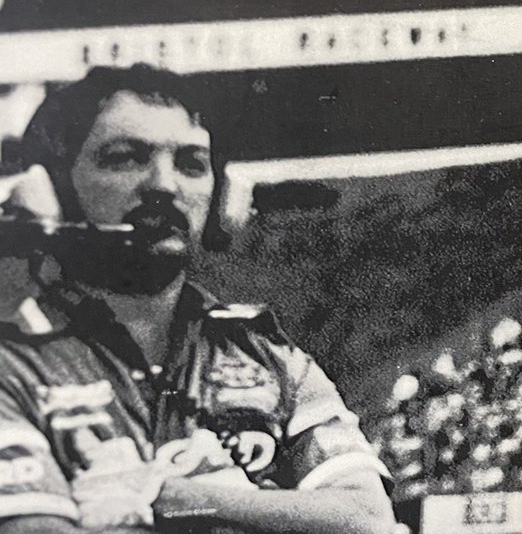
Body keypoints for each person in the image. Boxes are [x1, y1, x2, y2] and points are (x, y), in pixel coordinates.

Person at [0, 64, 395, 532]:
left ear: (221, 198)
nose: (164, 186)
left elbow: (366, 519)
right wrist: (267, 511)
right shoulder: (11, 362)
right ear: (54, 193)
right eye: (125, 157)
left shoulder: (264, 352)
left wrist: (176, 498)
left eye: (191, 164)